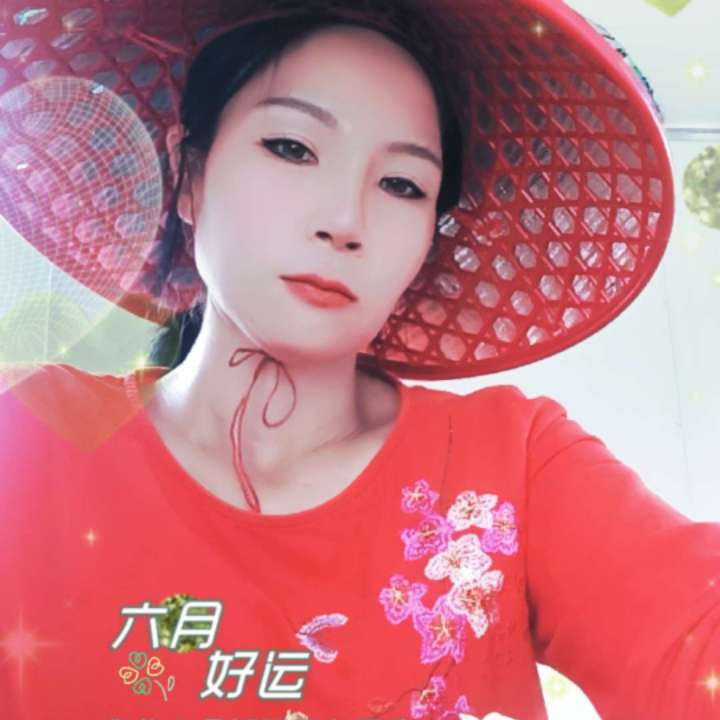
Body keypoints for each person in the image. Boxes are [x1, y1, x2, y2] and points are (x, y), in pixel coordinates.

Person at [0, 1, 717, 719]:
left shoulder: (511, 465)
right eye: (292, 147)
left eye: (402, 184)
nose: (345, 221)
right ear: (190, 174)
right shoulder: (27, 434)